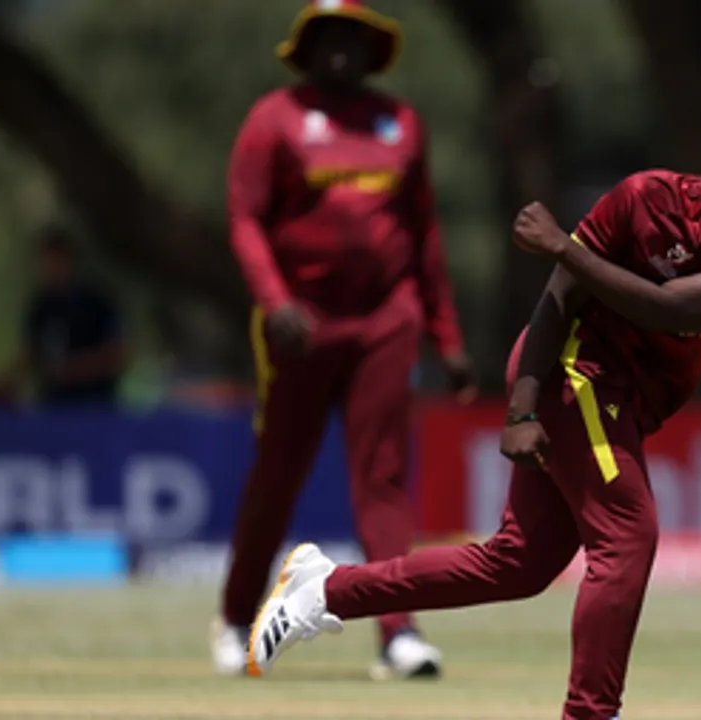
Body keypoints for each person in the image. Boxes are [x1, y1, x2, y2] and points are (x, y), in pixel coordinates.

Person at [240, 125, 701, 719]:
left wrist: (563, 244)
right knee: (627, 534)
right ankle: (590, 713)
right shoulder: (648, 197)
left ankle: (325, 589)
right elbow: (562, 293)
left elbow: (666, 309)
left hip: (627, 397)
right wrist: (522, 406)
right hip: (574, 368)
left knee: (517, 564)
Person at [212, 0, 477, 680]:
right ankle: (239, 617)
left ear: (373, 50)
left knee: (383, 481)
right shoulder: (274, 119)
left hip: (387, 322)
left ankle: (397, 634)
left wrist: (447, 338)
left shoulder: (402, 123)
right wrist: (275, 304)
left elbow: (425, 237)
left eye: (354, 37)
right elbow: (244, 220)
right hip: (299, 328)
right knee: (278, 476)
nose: (341, 49)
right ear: (305, 49)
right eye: (327, 36)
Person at [0, 224, 127, 407]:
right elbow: (29, 356)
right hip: (53, 405)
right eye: (46, 261)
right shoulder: (41, 308)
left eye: (55, 260)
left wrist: (74, 369)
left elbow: (118, 353)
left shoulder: (97, 303)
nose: (50, 268)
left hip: (96, 405)